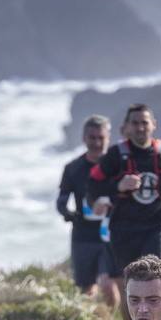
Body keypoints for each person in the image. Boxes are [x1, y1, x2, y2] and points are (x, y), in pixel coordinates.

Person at [89, 104, 161, 320]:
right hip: (124, 230)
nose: (141, 127)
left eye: (145, 122)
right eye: (135, 123)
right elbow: (93, 186)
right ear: (126, 128)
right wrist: (118, 187)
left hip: (158, 225)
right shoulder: (116, 155)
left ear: (153, 125)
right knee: (130, 285)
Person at [56, 115, 119, 309]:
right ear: (84, 138)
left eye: (101, 138)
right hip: (83, 235)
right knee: (86, 289)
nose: (97, 142)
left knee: (108, 283)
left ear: (108, 138)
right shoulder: (73, 168)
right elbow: (62, 198)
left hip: (112, 234)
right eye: (92, 138)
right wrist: (67, 212)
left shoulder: (118, 166)